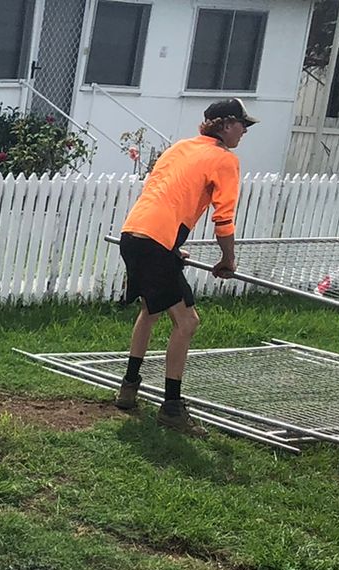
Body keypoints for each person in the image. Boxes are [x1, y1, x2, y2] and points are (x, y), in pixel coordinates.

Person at [114, 97, 256, 434]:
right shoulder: (224, 159)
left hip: (134, 235)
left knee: (151, 310)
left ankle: (128, 389)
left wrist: (171, 249)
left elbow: (163, 194)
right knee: (188, 321)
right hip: (156, 243)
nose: (244, 132)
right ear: (224, 124)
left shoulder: (180, 148)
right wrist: (228, 259)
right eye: (242, 125)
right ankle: (173, 409)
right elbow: (224, 218)